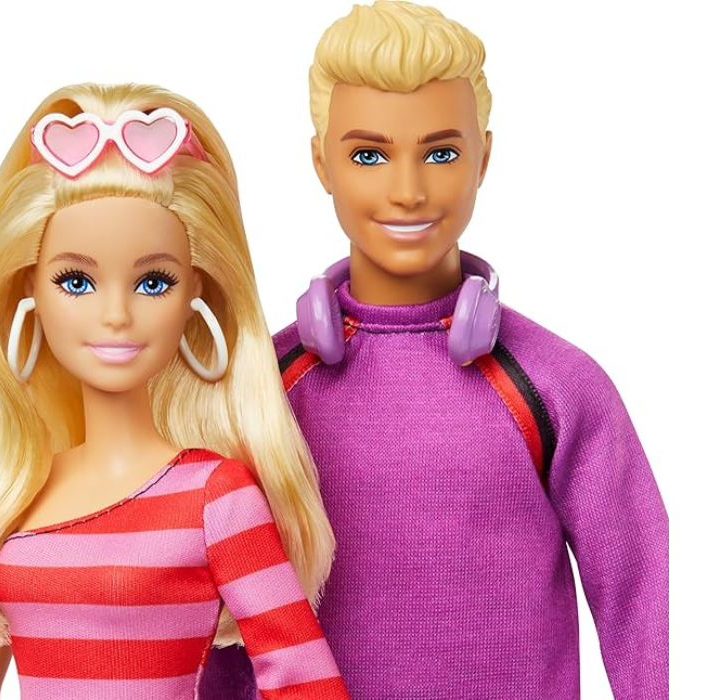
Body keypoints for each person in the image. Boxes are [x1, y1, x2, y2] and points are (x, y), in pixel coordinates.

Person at [200, 3, 668, 699]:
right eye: (368, 155)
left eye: (441, 153)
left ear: (485, 157)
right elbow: (213, 617)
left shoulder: (555, 386)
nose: (407, 191)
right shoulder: (263, 390)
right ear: (320, 163)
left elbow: (644, 593)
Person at [0, 82, 350, 700]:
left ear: (196, 294)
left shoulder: (216, 496)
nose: (116, 316)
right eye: (76, 281)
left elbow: (303, 677)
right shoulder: (17, 489)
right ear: (29, 289)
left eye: (153, 282)